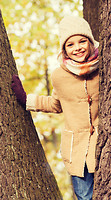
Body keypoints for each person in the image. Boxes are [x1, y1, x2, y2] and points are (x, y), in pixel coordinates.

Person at [12, 16, 99, 200]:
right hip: (77, 149)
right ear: (64, 49)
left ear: (91, 42)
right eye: (70, 44)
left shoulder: (104, 67)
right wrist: (26, 99)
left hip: (103, 144)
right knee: (85, 196)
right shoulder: (60, 75)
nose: (77, 48)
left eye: (82, 41)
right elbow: (55, 104)